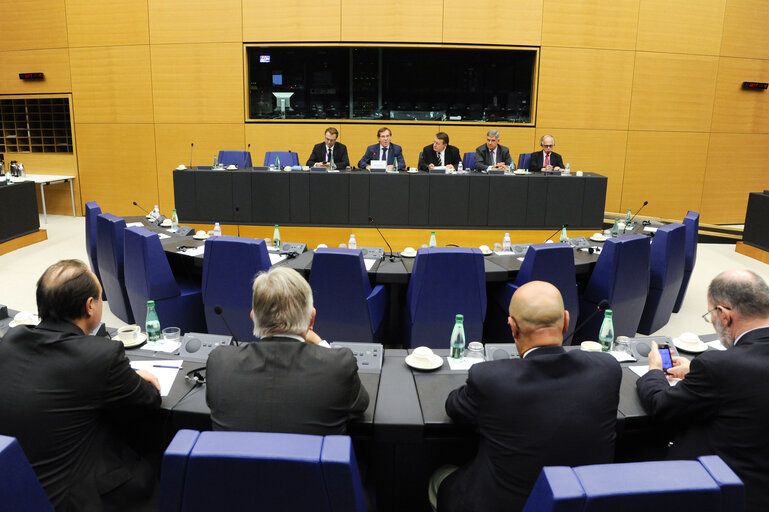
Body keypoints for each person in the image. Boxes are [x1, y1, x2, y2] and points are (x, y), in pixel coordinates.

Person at [431, 281, 621, 512]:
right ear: (566, 322)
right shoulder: (607, 369)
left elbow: (455, 407)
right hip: (581, 505)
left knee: (440, 477)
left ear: (512, 327)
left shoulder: (490, 379)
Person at [0, 260, 161, 511]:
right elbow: (149, 400)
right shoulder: (101, 355)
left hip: (15, 490)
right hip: (72, 500)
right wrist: (136, 376)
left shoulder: (11, 340)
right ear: (90, 306)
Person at [636, 269, 769, 512]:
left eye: (710, 315)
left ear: (723, 314)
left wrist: (654, 371)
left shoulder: (718, 366)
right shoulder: (721, 367)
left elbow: (662, 405)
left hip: (727, 491)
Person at [206, 266, 369, 435]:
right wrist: (321, 344)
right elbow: (360, 405)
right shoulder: (338, 366)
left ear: (254, 318)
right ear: (311, 318)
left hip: (237, 462)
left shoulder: (220, 362)